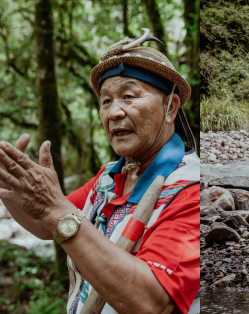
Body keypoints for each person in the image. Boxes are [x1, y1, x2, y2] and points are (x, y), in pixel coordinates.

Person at [0, 29, 200, 314]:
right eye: (106, 101)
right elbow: (47, 224)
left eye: (129, 96)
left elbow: (153, 302)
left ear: (171, 108)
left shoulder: (190, 188)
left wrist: (54, 207)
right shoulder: (108, 178)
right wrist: (6, 182)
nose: (114, 112)